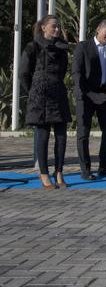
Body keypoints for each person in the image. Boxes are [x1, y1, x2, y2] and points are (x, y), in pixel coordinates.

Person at [19, 15, 71, 189]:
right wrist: (34, 90)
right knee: (42, 136)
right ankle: (44, 173)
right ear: (43, 27)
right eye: (53, 27)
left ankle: (59, 172)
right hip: (40, 95)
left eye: (58, 27)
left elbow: (63, 71)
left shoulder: (62, 48)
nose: (57, 30)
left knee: (62, 136)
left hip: (58, 92)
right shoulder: (32, 46)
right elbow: (24, 74)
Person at [72, 19, 106, 180]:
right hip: (86, 97)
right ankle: (85, 170)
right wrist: (86, 94)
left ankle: (104, 166)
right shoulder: (83, 47)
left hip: (104, 96)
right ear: (98, 30)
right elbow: (77, 73)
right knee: (83, 133)